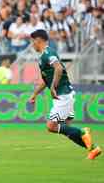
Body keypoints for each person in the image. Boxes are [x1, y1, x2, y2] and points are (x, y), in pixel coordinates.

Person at [29, 29, 101, 160]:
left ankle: (83, 131)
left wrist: (53, 87)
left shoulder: (47, 53)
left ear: (38, 40)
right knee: (67, 129)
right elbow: (46, 80)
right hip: (65, 94)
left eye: (32, 41)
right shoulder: (44, 56)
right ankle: (93, 148)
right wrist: (35, 94)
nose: (32, 44)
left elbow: (59, 68)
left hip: (63, 95)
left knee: (51, 126)